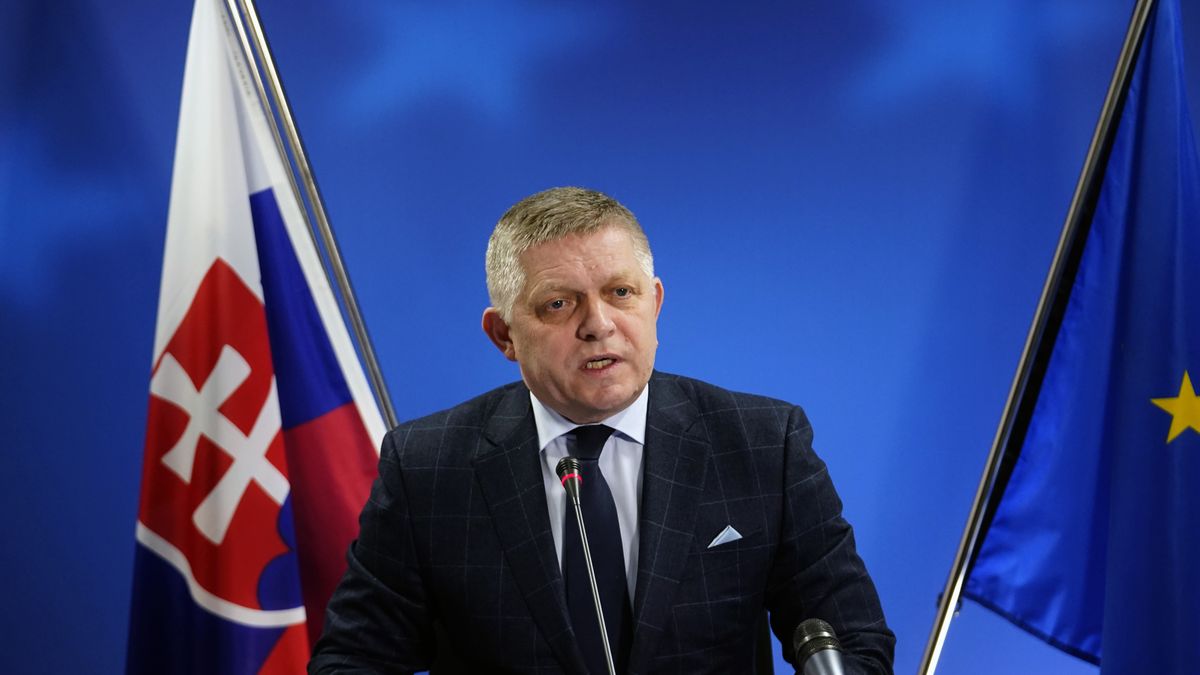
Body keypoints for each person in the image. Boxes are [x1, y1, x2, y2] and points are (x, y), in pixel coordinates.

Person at [309, 187, 894, 674]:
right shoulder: (428, 466)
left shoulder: (766, 444)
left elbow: (856, 644)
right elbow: (355, 660)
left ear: (654, 303)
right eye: (560, 304)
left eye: (620, 293)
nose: (598, 325)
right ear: (504, 335)